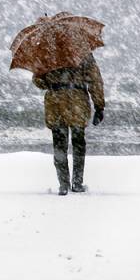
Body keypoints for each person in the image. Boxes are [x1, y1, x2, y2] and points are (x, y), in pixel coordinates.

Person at [32, 53, 105, 195]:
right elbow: (95, 80)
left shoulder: (47, 51)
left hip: (55, 103)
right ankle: (77, 183)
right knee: (78, 143)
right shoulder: (83, 51)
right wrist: (99, 106)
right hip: (78, 102)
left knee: (59, 144)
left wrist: (51, 80)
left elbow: (38, 81)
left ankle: (63, 184)